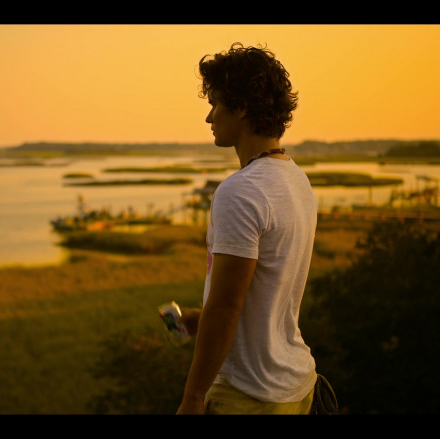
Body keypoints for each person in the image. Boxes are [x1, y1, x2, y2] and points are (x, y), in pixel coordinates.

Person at [176, 43, 318, 415]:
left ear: (240, 107)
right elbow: (266, 290)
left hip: (249, 396)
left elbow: (226, 306)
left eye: (215, 104)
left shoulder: (240, 191)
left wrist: (193, 397)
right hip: (296, 385)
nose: (209, 118)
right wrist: (198, 319)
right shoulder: (297, 181)